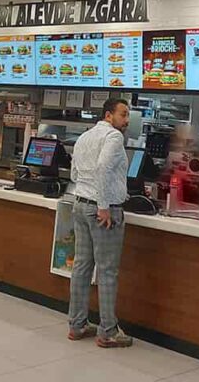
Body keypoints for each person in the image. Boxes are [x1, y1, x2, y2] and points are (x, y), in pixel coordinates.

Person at [67, 98, 134, 348]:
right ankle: (107, 331)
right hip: (101, 209)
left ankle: (77, 324)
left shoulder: (85, 136)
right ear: (109, 115)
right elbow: (104, 168)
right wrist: (104, 205)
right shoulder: (113, 137)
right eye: (123, 114)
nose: (127, 120)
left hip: (80, 203)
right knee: (107, 271)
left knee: (82, 266)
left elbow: (74, 172)